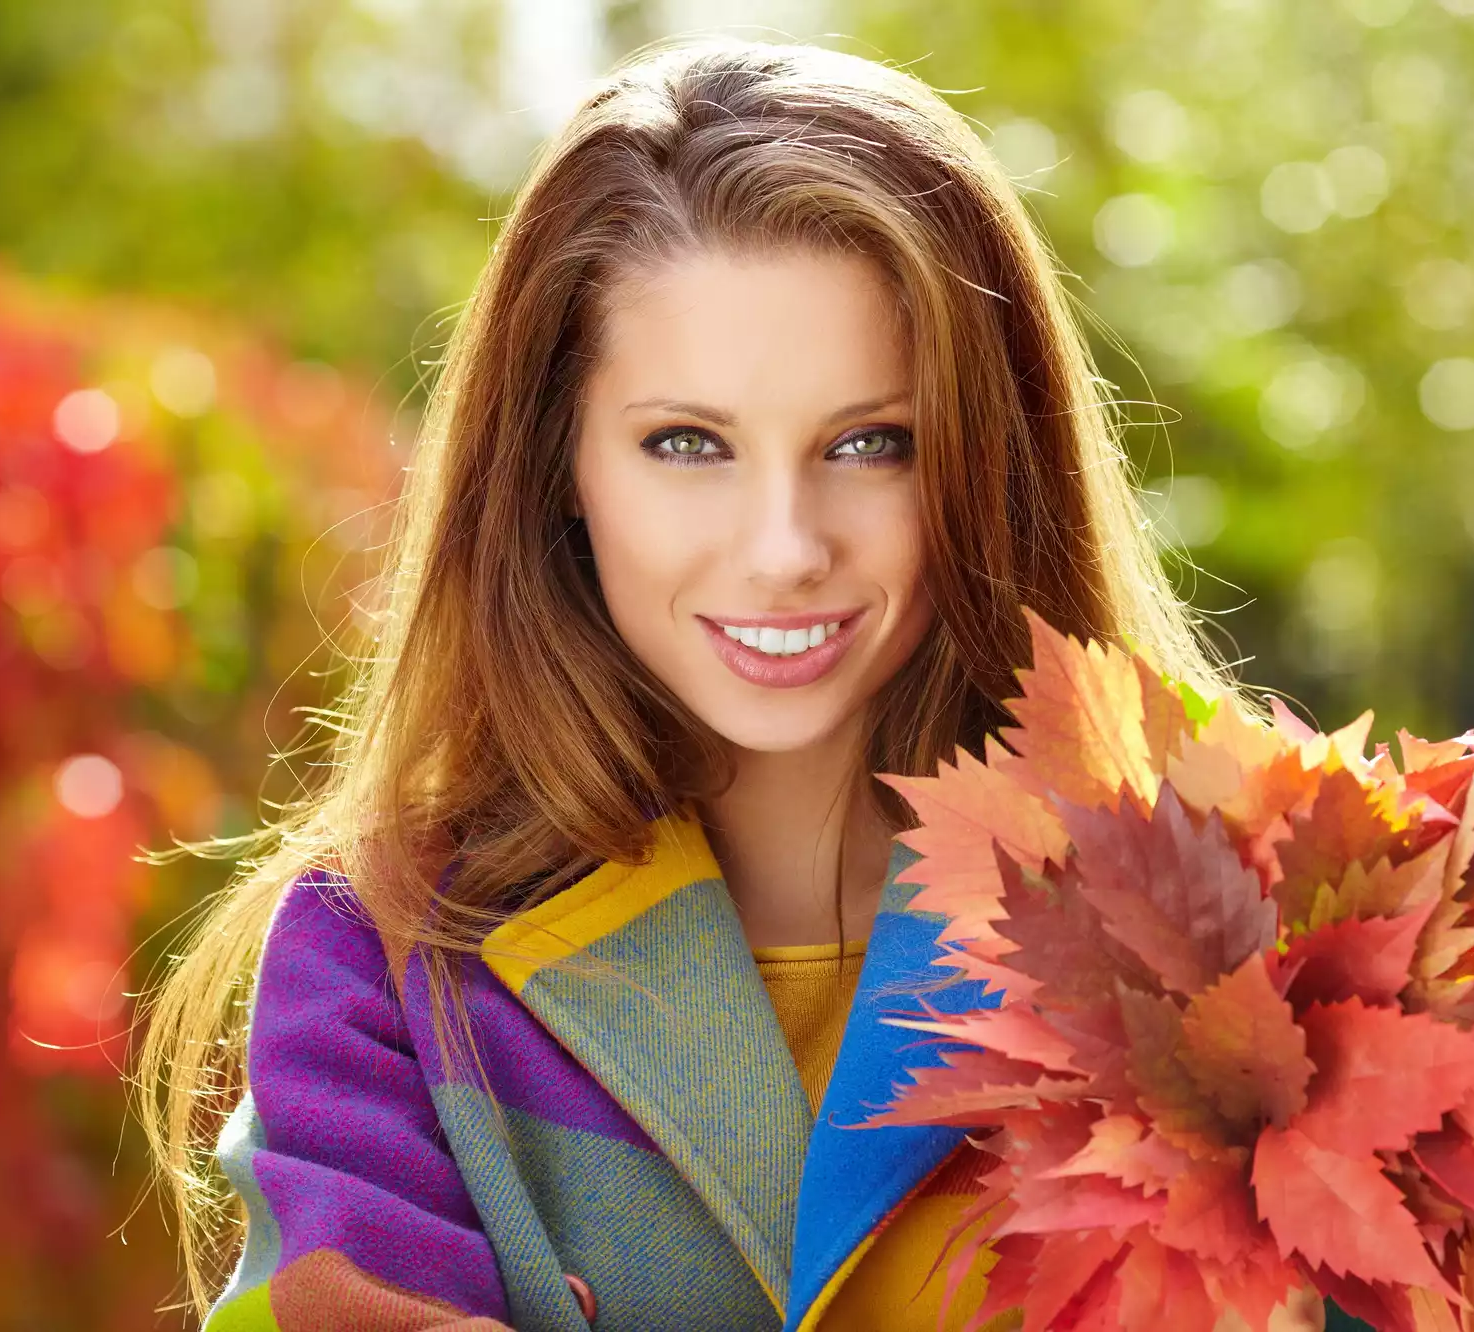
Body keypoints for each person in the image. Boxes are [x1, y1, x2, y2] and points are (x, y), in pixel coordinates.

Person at [137, 35, 1242, 1332]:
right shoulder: (381, 952)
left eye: (870, 443)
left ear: (990, 464)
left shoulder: (1217, 928)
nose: (784, 548)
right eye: (688, 444)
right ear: (560, 464)